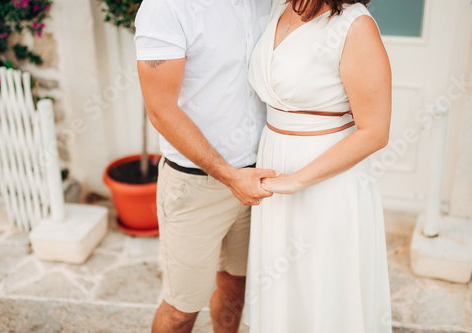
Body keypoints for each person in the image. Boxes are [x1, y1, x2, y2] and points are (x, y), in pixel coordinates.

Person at [244, 0, 392, 332]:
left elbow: (375, 132)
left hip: (325, 178)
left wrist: (296, 180)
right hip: (274, 162)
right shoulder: (277, 8)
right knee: (283, 284)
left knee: (322, 281)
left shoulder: (355, 27)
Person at [133, 1, 275, 332]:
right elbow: (161, 110)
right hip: (196, 185)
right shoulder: (166, 8)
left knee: (235, 285)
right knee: (182, 309)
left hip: (258, 178)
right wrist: (229, 176)